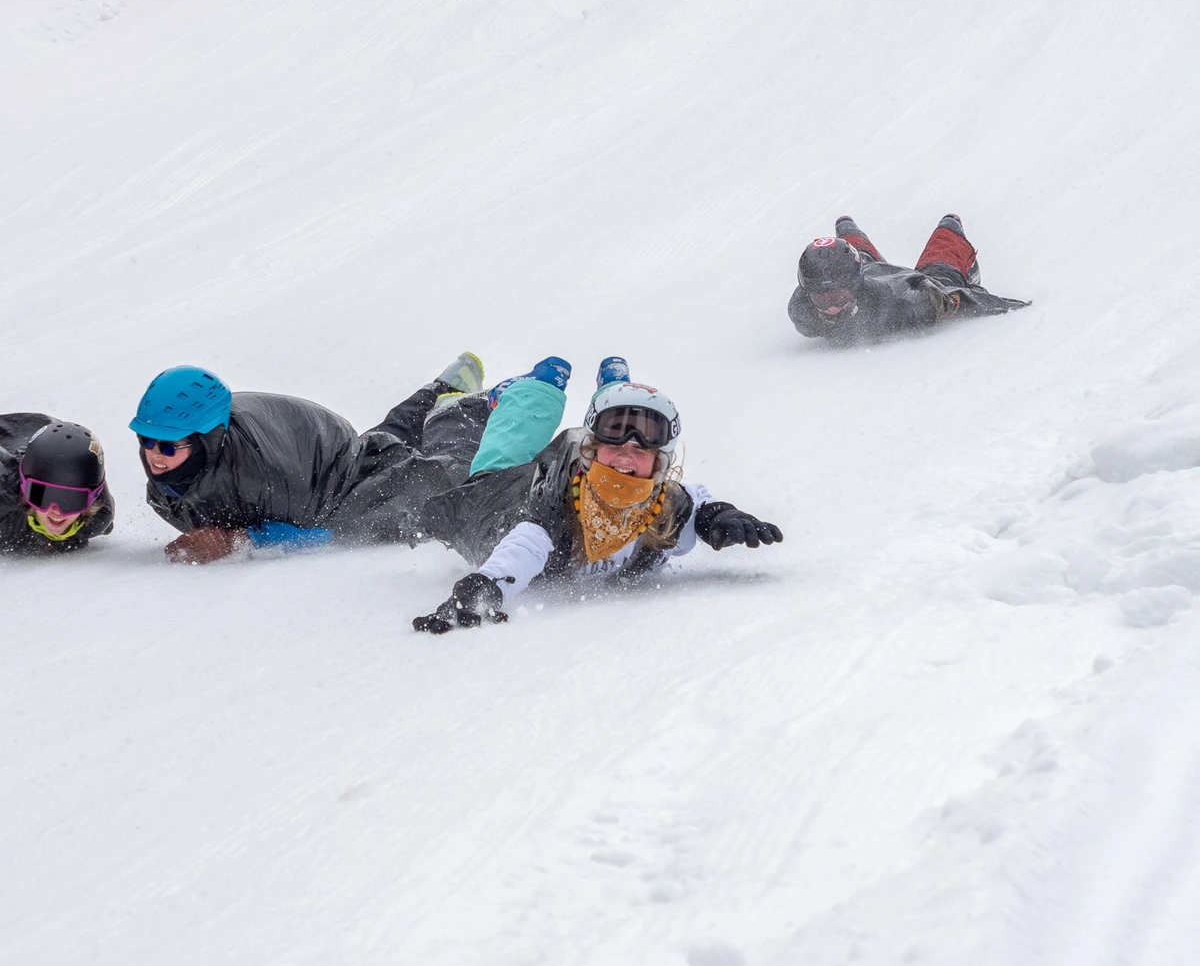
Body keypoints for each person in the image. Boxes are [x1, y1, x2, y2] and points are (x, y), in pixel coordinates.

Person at [412, 357, 783, 633]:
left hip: (561, 478)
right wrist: (490, 584)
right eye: (613, 438)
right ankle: (508, 394)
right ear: (592, 448)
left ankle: (612, 389)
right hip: (504, 495)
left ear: (660, 461)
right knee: (488, 462)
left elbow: (690, 502)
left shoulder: (661, 508)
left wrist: (716, 516)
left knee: (612, 422)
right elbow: (528, 543)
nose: (625, 453)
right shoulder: (553, 505)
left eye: (642, 447)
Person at [130, 353, 491, 564]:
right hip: (316, 450)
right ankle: (442, 389)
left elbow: (320, 532)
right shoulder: (175, 476)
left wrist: (237, 541)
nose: (153, 457)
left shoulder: (263, 476)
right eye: (146, 441)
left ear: (207, 439)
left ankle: (456, 410)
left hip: (330, 480)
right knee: (378, 452)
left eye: (166, 447)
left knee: (443, 491)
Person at [787, 214, 1030, 343]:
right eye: (821, 299)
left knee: (940, 275)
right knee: (863, 257)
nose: (831, 308)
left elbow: (953, 297)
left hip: (911, 285)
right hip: (867, 267)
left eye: (839, 296)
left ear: (854, 287)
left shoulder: (899, 304)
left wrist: (999, 304)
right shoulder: (802, 312)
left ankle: (950, 227)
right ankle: (849, 231)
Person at [0, 415, 114, 555]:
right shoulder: (4, 494)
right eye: (44, 496)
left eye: (71, 500)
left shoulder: (99, 519)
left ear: (91, 503)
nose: (57, 511)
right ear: (24, 489)